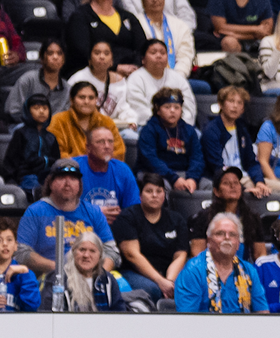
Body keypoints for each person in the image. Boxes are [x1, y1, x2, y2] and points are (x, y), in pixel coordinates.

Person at [17, 159, 121, 308]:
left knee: (122, 287)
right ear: (50, 183)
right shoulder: (36, 211)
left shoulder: (93, 212)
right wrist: (59, 268)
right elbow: (22, 253)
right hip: (52, 275)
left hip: (93, 274)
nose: (67, 183)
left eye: (73, 178)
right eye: (61, 178)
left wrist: (98, 274)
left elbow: (111, 251)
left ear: (79, 185)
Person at [113, 173, 189, 301]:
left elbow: (180, 255)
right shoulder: (128, 217)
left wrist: (170, 281)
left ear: (164, 195)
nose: (154, 195)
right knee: (153, 289)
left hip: (168, 272)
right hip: (134, 271)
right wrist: (160, 281)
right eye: (149, 191)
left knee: (190, 286)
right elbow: (132, 254)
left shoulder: (177, 219)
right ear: (140, 195)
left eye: (159, 191)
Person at [175, 213, 269, 313]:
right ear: (209, 241)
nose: (227, 238)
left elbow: (262, 313)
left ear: (238, 244)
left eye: (232, 235)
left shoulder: (249, 271)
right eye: (220, 233)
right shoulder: (193, 271)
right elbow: (187, 317)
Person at [65, 0, 149, 76]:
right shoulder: (80, 16)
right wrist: (115, 67)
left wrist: (135, 67)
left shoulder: (127, 17)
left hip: (132, 72)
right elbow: (81, 51)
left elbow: (142, 47)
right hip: (94, 73)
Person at [200, 85, 270, 194]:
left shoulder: (242, 129)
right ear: (221, 104)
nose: (235, 106)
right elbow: (217, 168)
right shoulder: (211, 131)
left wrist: (259, 182)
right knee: (257, 194)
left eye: (239, 103)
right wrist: (243, 190)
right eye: (231, 101)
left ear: (243, 109)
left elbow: (251, 162)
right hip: (226, 180)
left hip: (246, 177)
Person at [136, 86, 204, 191]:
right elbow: (150, 160)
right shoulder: (149, 130)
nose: (172, 111)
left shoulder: (189, 130)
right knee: (162, 187)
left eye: (177, 107)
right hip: (156, 173)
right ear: (158, 110)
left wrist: (192, 178)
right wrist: (174, 178)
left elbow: (197, 158)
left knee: (208, 185)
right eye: (167, 107)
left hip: (184, 173)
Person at [135, 0, 197, 80]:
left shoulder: (180, 25)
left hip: (177, 78)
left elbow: (185, 56)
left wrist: (177, 77)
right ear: (142, 1)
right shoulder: (135, 23)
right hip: (145, 78)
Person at [125, 39, 197, 124]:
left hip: (180, 126)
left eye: (162, 53)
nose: (159, 56)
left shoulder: (178, 78)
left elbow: (189, 107)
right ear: (143, 59)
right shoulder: (135, 79)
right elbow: (140, 110)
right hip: (148, 126)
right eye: (153, 53)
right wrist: (163, 125)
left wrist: (179, 125)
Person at [67, 41, 136, 129]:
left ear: (112, 61)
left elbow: (123, 108)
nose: (102, 57)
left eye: (106, 54)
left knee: (130, 135)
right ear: (89, 60)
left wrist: (130, 120)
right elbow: (68, 107)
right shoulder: (77, 79)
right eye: (97, 53)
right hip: (83, 127)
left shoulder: (120, 81)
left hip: (113, 127)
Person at [78, 126, 140, 223]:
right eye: (101, 142)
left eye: (110, 141)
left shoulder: (122, 170)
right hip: (80, 226)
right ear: (88, 147)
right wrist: (96, 214)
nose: (107, 146)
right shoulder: (75, 167)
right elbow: (62, 208)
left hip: (115, 226)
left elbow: (134, 209)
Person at [49, 82, 125, 159]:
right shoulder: (58, 121)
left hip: (103, 165)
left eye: (91, 98)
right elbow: (57, 153)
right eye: (82, 97)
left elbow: (119, 151)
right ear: (71, 100)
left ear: (96, 100)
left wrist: (99, 162)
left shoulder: (107, 122)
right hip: (70, 166)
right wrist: (84, 163)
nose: (86, 102)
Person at [3, 93, 62, 191]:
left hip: (48, 175)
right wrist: (11, 179)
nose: (41, 111)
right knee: (35, 186)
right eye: (36, 108)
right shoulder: (21, 133)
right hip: (26, 175)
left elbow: (56, 160)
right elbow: (11, 160)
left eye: (45, 108)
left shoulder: (51, 136)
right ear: (28, 111)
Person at [60, 231, 129, 311]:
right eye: (82, 250)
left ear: (100, 256)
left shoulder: (107, 280)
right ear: (73, 252)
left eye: (92, 251)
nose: (86, 255)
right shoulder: (60, 279)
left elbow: (119, 312)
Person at [5, 40, 71, 123]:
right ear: (42, 58)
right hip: (26, 125)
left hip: (55, 128)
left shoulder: (67, 89)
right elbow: (13, 110)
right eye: (50, 53)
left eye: (59, 53)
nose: (55, 57)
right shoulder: (28, 79)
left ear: (63, 60)